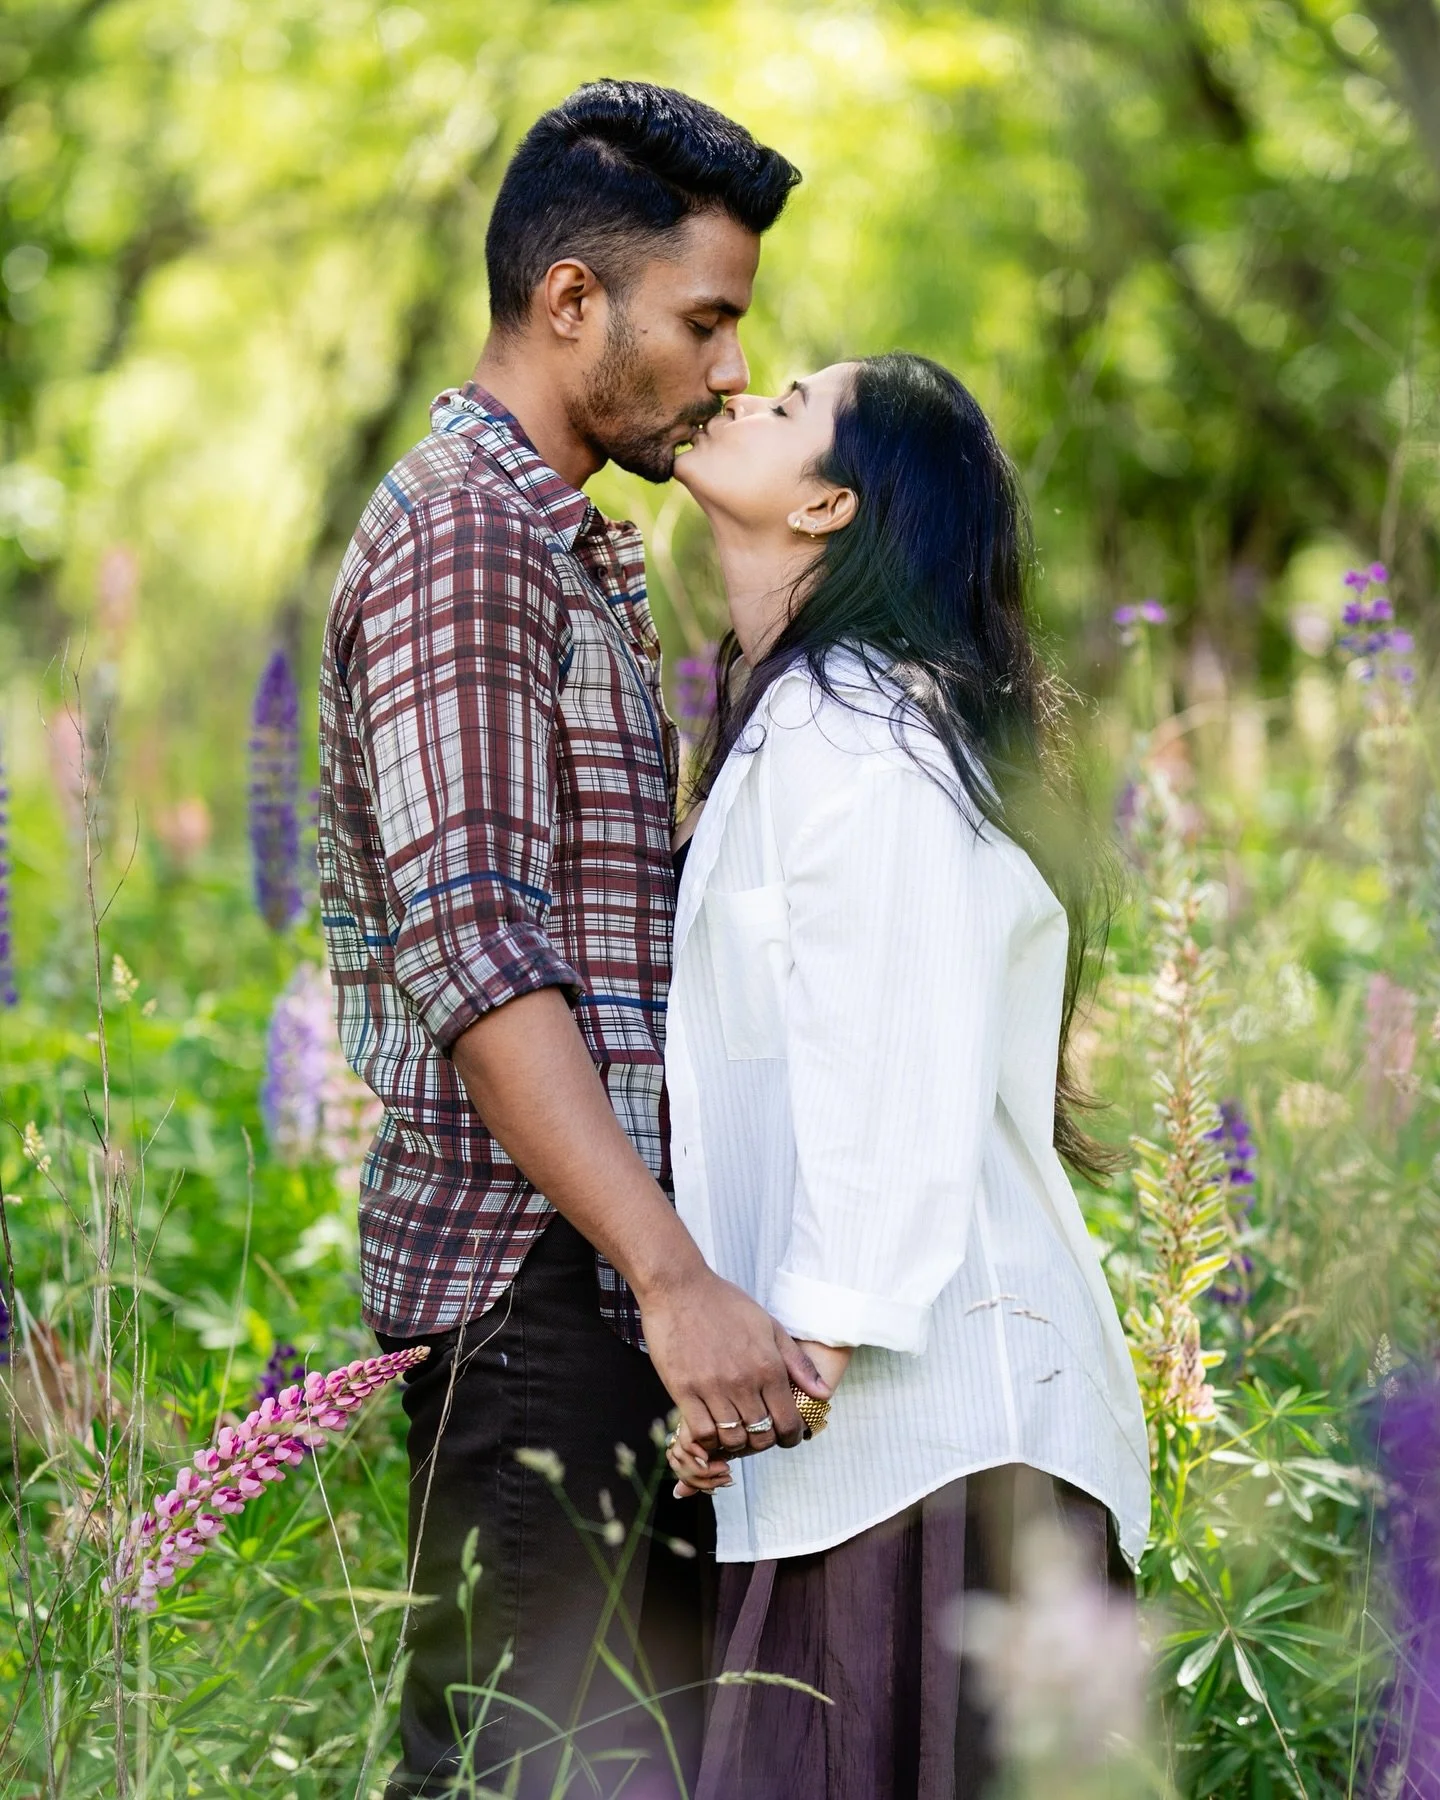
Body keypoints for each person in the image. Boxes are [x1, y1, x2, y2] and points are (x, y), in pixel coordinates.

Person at [316, 81, 828, 1799]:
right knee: (509, 1774)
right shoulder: (465, 536)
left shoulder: (569, 539)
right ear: (569, 304)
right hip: (530, 1297)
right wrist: (674, 1283)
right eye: (707, 320)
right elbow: (476, 956)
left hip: (595, 1283)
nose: (734, 368)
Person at [662, 353, 1153, 1798]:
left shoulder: (864, 729)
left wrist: (799, 1349)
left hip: (930, 1445)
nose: (743, 392)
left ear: (827, 503)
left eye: (795, 400)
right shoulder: (806, 715)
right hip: (863, 1446)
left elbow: (894, 1043)